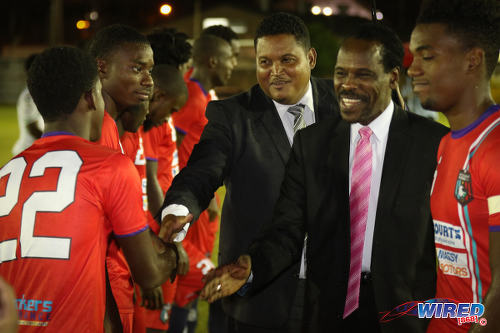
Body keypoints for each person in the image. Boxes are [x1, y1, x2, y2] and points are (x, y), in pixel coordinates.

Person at [201, 22, 450, 333]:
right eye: (341, 73)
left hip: (405, 317)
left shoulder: (434, 143)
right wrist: (252, 267)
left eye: (363, 74)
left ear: (393, 77)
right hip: (328, 315)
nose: (347, 85)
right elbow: (287, 229)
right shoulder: (312, 143)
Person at [160, 12, 339, 333]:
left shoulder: (344, 103)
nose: (276, 72)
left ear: (311, 58)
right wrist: (179, 207)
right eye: (265, 62)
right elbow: (202, 170)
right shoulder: (232, 115)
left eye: (287, 60)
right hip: (258, 293)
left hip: (334, 291)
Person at [0, 46, 177, 332]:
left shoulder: (5, 173)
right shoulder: (111, 167)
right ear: (89, 97)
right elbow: (149, 274)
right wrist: (174, 255)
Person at [407, 0, 500, 332]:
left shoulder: (495, 149)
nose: (412, 68)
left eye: (427, 57)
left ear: (472, 60)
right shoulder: (447, 143)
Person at [88, 24, 155, 332]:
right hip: (102, 288)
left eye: (149, 70)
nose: (148, 79)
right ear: (102, 67)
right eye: (137, 68)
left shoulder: (111, 127)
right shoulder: (98, 132)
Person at [167, 32, 235, 333]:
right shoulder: (191, 98)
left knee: (194, 290)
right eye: (230, 57)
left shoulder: (206, 96)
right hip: (189, 209)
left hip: (204, 209)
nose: (234, 63)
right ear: (212, 60)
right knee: (188, 285)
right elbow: (171, 151)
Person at [12, 54, 44, 156]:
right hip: (29, 151)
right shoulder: (29, 95)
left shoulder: (38, 92)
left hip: (36, 150)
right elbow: (31, 127)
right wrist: (53, 141)